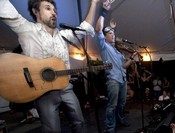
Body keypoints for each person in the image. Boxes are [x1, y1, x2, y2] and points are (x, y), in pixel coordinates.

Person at [0, 0, 100, 132]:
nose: (54, 13)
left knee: (80, 123)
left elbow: (85, 28)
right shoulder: (26, 29)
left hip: (66, 87)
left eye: (54, 10)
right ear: (36, 12)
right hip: (43, 92)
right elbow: (5, 9)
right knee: (52, 130)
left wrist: (94, 3)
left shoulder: (64, 35)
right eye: (48, 8)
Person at [95, 1, 138, 132]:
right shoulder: (104, 47)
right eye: (110, 34)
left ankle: (120, 121)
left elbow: (124, 66)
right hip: (113, 80)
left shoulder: (117, 52)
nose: (113, 35)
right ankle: (110, 128)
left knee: (122, 104)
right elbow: (97, 30)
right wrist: (103, 12)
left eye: (113, 34)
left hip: (122, 80)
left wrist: (131, 59)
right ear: (105, 36)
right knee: (112, 106)